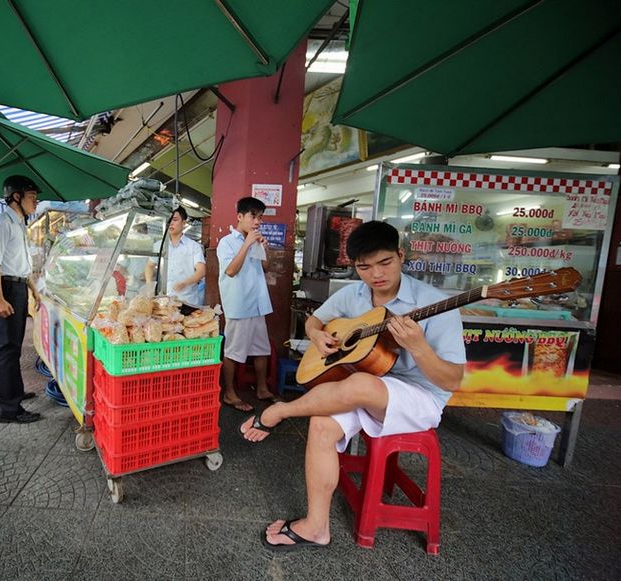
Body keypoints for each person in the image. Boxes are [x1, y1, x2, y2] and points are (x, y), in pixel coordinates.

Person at [239, 220, 466, 551]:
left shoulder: (436, 305)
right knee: (321, 424)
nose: (376, 274)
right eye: (364, 266)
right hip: (368, 385)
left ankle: (280, 411)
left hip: (419, 396)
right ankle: (317, 526)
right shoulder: (354, 294)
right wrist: (316, 334)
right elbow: (315, 320)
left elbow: (453, 380)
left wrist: (418, 347)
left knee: (360, 382)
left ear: (401, 255)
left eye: (385, 263)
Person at [0, 175, 42, 424]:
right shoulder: (1, 223)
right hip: (5, 288)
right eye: (32, 198)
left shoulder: (19, 224)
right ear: (16, 197)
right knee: (6, 349)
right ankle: (9, 409)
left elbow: (21, 265)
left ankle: (13, 392)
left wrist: (33, 289)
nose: (35, 203)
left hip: (17, 287)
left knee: (13, 348)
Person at [217, 196, 275, 411]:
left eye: (260, 217)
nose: (257, 221)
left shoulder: (255, 239)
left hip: (258, 303)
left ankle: (261, 389)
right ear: (240, 217)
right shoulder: (227, 242)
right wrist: (248, 244)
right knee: (233, 351)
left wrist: (263, 248)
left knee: (262, 349)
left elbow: (265, 267)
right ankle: (230, 394)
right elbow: (231, 271)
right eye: (253, 216)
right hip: (239, 306)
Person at [145, 206, 206, 305]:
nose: (171, 223)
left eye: (175, 220)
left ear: (184, 223)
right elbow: (149, 266)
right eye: (169, 220)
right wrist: (149, 286)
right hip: (165, 300)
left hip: (187, 301)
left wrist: (185, 283)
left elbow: (202, 271)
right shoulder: (159, 245)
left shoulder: (193, 246)